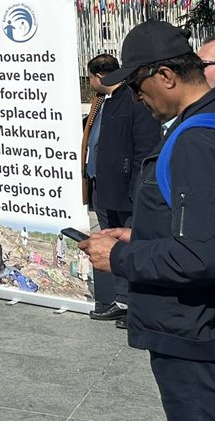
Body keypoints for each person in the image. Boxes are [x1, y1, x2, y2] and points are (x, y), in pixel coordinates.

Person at [78, 20, 215, 421]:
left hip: (201, 343)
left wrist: (119, 258)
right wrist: (145, 233)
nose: (136, 98)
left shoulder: (195, 141)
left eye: (137, 85)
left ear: (166, 75)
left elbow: (200, 256)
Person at [81, 53, 160, 328]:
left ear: (99, 76)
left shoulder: (134, 100)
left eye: (90, 78)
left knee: (131, 247)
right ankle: (122, 301)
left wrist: (137, 189)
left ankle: (137, 307)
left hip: (127, 192)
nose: (90, 83)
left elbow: (145, 150)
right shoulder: (102, 102)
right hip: (103, 189)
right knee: (110, 245)